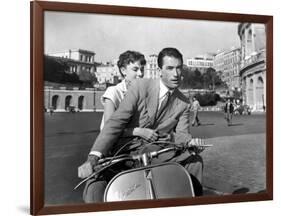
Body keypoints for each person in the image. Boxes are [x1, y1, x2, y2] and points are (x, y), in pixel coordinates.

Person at [78, 47, 204, 202]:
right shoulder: (140, 86)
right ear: (160, 70)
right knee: (94, 188)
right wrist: (93, 157)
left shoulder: (184, 102)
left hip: (159, 154)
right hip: (125, 154)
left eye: (179, 68)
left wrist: (190, 143)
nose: (176, 74)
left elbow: (182, 134)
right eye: (170, 68)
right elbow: (115, 123)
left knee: (195, 162)